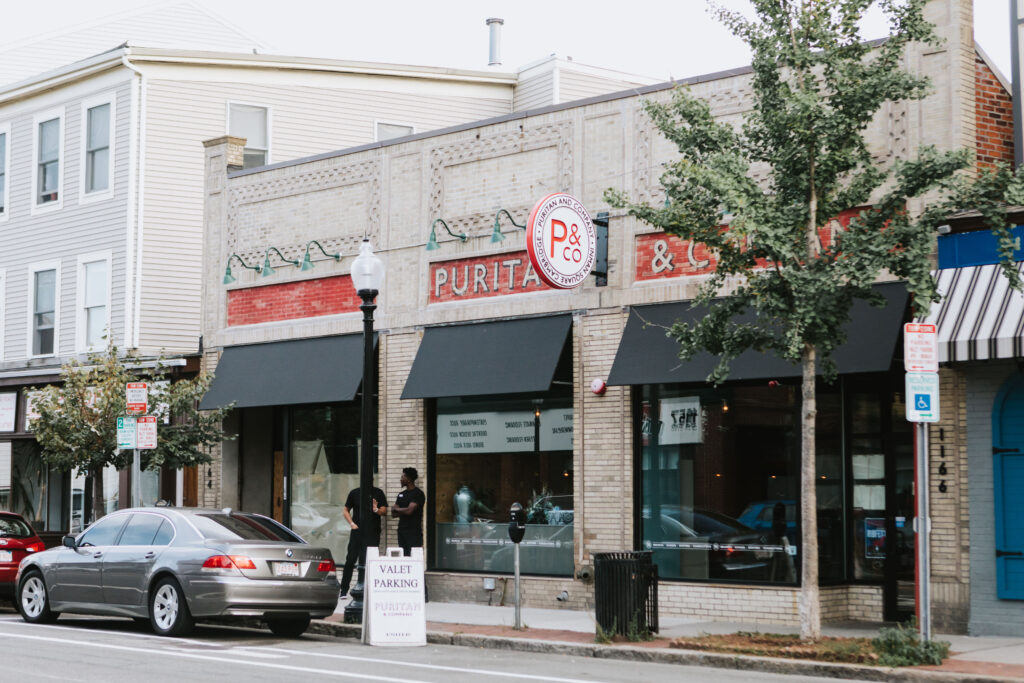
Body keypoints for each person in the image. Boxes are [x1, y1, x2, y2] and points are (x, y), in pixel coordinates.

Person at [339, 483, 387, 598]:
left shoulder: (378, 493)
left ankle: (370, 589)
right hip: (357, 531)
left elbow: (384, 511)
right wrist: (351, 523)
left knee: (370, 561)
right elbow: (345, 510)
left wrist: (375, 509)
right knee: (350, 559)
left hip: (373, 532)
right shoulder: (354, 493)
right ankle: (344, 590)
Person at [391, 467, 425, 555]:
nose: (400, 479)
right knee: (404, 556)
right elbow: (393, 514)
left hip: (414, 532)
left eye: (403, 477)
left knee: (414, 556)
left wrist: (397, 509)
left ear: (409, 479)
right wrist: (401, 510)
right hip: (401, 531)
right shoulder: (401, 494)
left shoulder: (418, 493)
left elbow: (410, 511)